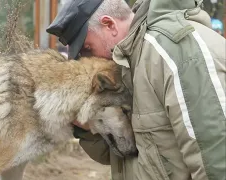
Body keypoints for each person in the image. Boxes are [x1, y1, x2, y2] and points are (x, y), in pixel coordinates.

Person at [46, 0, 226, 180]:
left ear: (109, 25)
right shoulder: (131, 63)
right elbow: (129, 156)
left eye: (88, 49)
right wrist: (87, 126)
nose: (89, 60)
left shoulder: (175, 53)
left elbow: (214, 159)